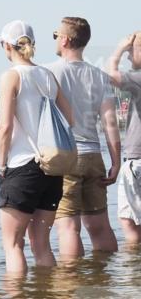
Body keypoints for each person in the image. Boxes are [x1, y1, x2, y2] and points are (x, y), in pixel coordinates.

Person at [0, 20, 75, 275]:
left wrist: (1, 165)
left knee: (13, 245)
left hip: (22, 167)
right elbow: (70, 120)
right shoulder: (48, 76)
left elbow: (5, 128)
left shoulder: (12, 76)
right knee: (41, 244)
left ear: (6, 45)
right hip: (51, 168)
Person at [45, 17, 119, 257]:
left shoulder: (49, 72)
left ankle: (71, 288)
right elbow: (109, 121)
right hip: (94, 156)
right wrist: (116, 162)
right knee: (99, 225)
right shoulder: (98, 75)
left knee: (68, 227)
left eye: (56, 35)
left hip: (66, 155)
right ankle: (104, 282)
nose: (55, 40)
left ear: (65, 39)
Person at [105, 31, 141, 246]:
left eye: (132, 51)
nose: (128, 56)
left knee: (128, 220)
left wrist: (118, 50)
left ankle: (134, 271)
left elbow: (112, 76)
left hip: (137, 158)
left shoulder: (138, 78)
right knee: (130, 218)